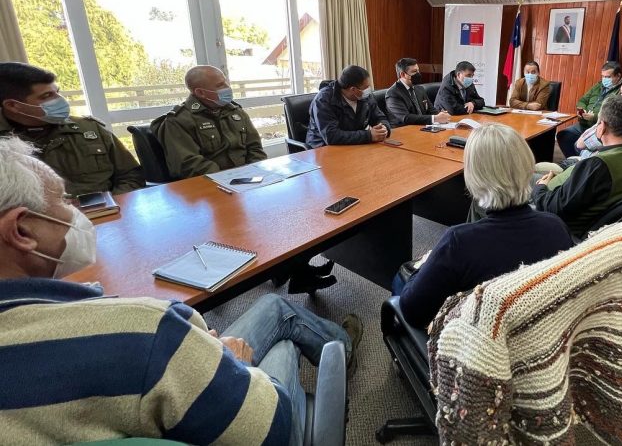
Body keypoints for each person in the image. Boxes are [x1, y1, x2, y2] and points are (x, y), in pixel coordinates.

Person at [0, 136, 362, 445]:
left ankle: (334, 348)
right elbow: (268, 428)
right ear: (21, 231)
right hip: (248, 424)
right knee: (282, 338)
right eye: (64, 201)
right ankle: (338, 353)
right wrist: (237, 365)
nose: (78, 210)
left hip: (145, 398)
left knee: (273, 306)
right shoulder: (140, 329)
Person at [398, 124, 574, 328]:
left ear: (474, 173)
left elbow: (413, 313)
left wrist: (429, 262)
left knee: (402, 277)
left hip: (475, 341)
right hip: (536, 330)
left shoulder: (458, 242)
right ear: (527, 166)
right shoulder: (556, 226)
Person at [0, 62, 144, 196]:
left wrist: (112, 206)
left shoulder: (89, 130)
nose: (60, 100)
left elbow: (131, 176)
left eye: (57, 92)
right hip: (38, 221)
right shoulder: (4, 145)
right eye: (47, 96)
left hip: (107, 215)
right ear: (13, 105)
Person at [531, 95, 622, 237]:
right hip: (573, 199)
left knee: (519, 183)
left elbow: (554, 208)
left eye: (598, 123)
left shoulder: (599, 166)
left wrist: (540, 188)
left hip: (554, 218)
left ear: (602, 127)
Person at [151, 65, 267, 180]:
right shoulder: (178, 120)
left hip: (248, 178)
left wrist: (254, 172)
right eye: (220, 85)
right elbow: (189, 164)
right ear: (201, 93)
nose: (227, 87)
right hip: (209, 184)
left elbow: (255, 147)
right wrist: (228, 179)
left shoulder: (235, 111)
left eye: (226, 82)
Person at [306, 65, 391, 147]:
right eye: (366, 87)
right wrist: (368, 136)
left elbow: (379, 117)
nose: (368, 90)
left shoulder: (365, 96)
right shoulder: (323, 100)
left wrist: (384, 127)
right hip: (322, 148)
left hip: (354, 144)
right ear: (353, 89)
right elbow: (331, 136)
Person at [556, 61, 622, 157]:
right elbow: (582, 100)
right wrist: (582, 110)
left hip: (600, 127)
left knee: (579, 145)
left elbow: (613, 115)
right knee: (564, 135)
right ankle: (573, 161)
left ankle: (583, 162)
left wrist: (594, 117)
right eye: (603, 76)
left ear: (618, 76)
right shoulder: (599, 85)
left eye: (608, 77)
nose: (604, 79)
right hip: (584, 123)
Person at [385, 58, 450, 127]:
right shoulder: (393, 94)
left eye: (418, 71)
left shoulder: (419, 88)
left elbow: (431, 110)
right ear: (403, 74)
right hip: (403, 131)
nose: (418, 74)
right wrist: (435, 118)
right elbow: (406, 118)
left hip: (422, 128)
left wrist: (441, 115)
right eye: (414, 72)